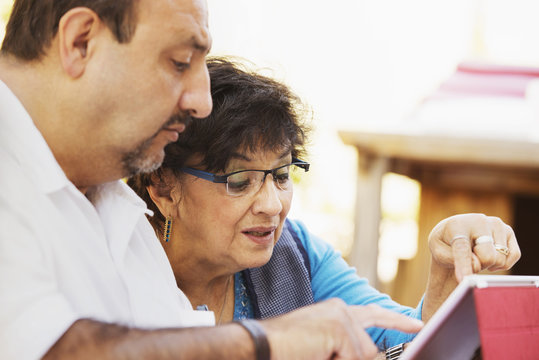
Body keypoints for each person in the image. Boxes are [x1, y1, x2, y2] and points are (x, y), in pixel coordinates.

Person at [0, 1, 425, 359]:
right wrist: (267, 339)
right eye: (179, 62)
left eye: (281, 174)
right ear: (80, 42)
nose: (201, 101)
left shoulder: (115, 204)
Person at [128, 57, 521, 351]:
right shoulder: (116, 268)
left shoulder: (295, 255)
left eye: (282, 176)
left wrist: (444, 282)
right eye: (239, 181)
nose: (271, 205)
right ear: (162, 188)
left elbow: (397, 339)